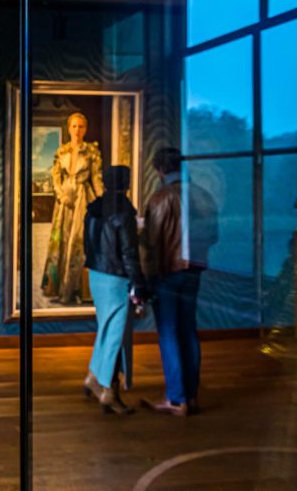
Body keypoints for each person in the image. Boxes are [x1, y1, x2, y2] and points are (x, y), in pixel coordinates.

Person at [141, 147, 218, 416]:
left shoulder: (160, 197)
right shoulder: (203, 195)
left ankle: (176, 398)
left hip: (167, 273)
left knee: (169, 334)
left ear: (160, 170)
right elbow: (213, 235)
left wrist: (146, 279)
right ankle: (191, 395)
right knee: (188, 331)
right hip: (194, 270)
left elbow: (151, 243)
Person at [82, 166, 147, 415]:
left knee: (106, 329)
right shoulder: (124, 213)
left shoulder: (93, 209)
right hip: (116, 277)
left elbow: (87, 243)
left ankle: (93, 376)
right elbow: (130, 252)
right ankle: (108, 390)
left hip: (96, 274)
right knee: (115, 335)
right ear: (127, 183)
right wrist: (138, 283)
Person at [42, 112, 105, 304]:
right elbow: (55, 178)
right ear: (69, 128)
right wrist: (61, 195)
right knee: (62, 242)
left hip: (83, 200)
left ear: (85, 129)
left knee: (80, 243)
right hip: (64, 203)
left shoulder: (92, 152)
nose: (77, 130)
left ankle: (79, 289)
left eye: (81, 126)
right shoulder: (61, 151)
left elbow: (96, 178)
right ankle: (59, 287)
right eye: (74, 126)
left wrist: (102, 203)